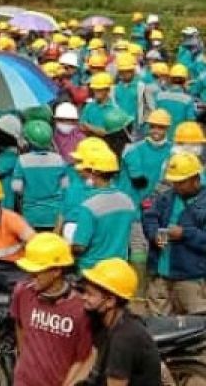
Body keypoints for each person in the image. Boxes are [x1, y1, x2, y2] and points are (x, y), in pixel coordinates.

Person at [10, 232, 95, 386]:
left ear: (57, 271)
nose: (31, 275)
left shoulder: (80, 309)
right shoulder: (22, 292)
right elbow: (20, 327)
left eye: (37, 272)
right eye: (30, 270)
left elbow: (82, 359)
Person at [78, 258, 162, 386]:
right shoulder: (105, 324)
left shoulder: (124, 339)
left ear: (110, 301)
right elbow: (91, 364)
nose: (84, 298)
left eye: (90, 294)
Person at [142, 151, 206, 314]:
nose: (176, 186)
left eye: (181, 182)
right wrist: (154, 233)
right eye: (174, 182)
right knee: (158, 325)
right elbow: (150, 217)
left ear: (195, 179)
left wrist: (185, 233)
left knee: (197, 326)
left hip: (192, 279)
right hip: (161, 275)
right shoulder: (167, 197)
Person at [71, 147, 137, 271]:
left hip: (92, 270)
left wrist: (68, 248)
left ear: (94, 173)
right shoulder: (128, 201)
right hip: (119, 269)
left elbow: (80, 247)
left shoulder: (89, 206)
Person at [11, 120, 70, 231]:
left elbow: (16, 187)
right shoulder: (59, 160)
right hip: (55, 217)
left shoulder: (22, 160)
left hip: (31, 216)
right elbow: (66, 187)